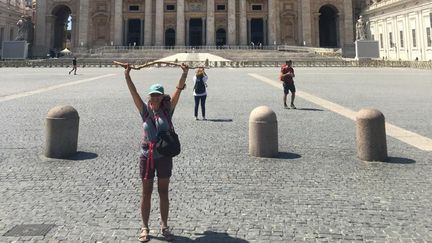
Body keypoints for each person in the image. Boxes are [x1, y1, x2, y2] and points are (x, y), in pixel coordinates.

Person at [123, 62, 189, 242]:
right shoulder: (144, 111)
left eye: (158, 95)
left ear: (162, 97)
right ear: (149, 97)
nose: (155, 98)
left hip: (164, 156)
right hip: (147, 155)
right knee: (146, 192)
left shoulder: (168, 111)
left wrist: (184, 74)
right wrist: (127, 76)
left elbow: (178, 91)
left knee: (163, 192)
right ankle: (144, 227)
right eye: (153, 95)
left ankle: (164, 226)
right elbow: (134, 94)